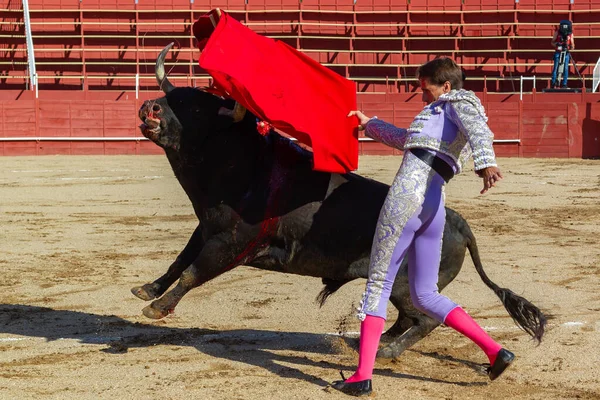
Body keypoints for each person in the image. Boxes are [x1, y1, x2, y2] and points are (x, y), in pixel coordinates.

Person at [331, 57, 512, 397]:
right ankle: (495, 351)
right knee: (425, 295)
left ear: (445, 86)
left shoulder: (457, 100)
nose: (422, 96)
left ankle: (362, 377)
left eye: (425, 89)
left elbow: (477, 128)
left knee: (380, 282)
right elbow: (407, 141)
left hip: (407, 199)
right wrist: (370, 124)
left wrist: (486, 164)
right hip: (433, 206)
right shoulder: (437, 115)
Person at [550, 20, 575, 89]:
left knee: (566, 68)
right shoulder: (557, 33)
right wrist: (557, 44)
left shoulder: (570, 34)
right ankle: (553, 83)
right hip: (558, 52)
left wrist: (569, 47)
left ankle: (564, 84)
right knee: (556, 68)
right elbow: (552, 42)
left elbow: (573, 46)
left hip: (566, 53)